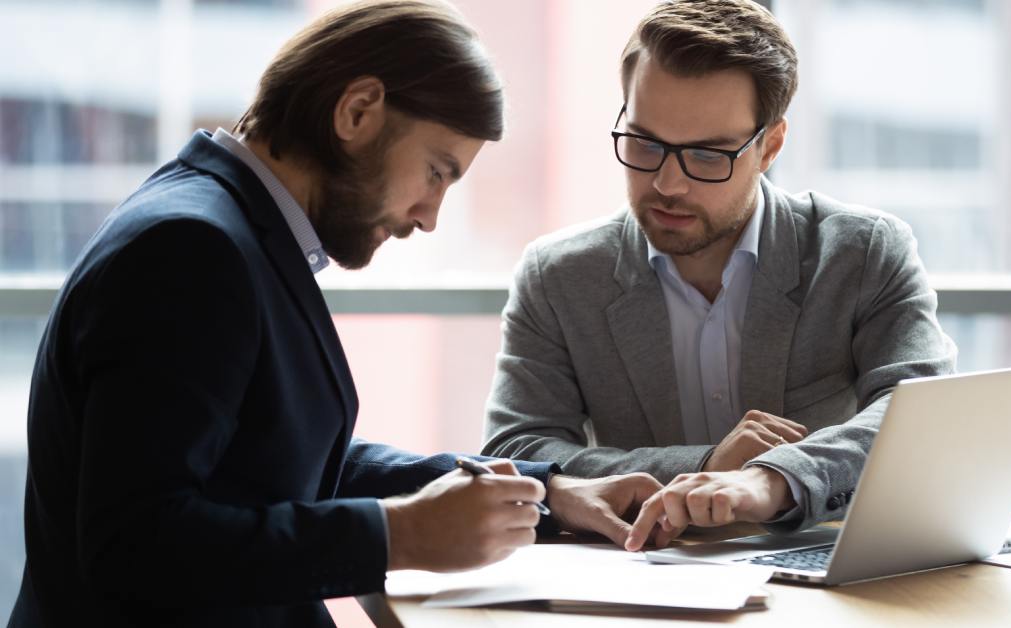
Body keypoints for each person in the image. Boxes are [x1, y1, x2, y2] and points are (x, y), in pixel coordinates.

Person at [9, 2, 663, 627]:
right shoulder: (192, 251)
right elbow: (136, 545)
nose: (429, 217)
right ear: (357, 112)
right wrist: (396, 537)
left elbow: (282, 458)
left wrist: (542, 495)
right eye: (437, 172)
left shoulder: (224, 223)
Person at [480, 0, 957, 552]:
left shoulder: (860, 253)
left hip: (823, 574)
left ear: (769, 146)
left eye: (707, 155)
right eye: (645, 142)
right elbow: (514, 451)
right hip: (641, 581)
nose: (667, 183)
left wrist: (768, 479)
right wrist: (703, 465)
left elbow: (921, 412)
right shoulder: (560, 276)